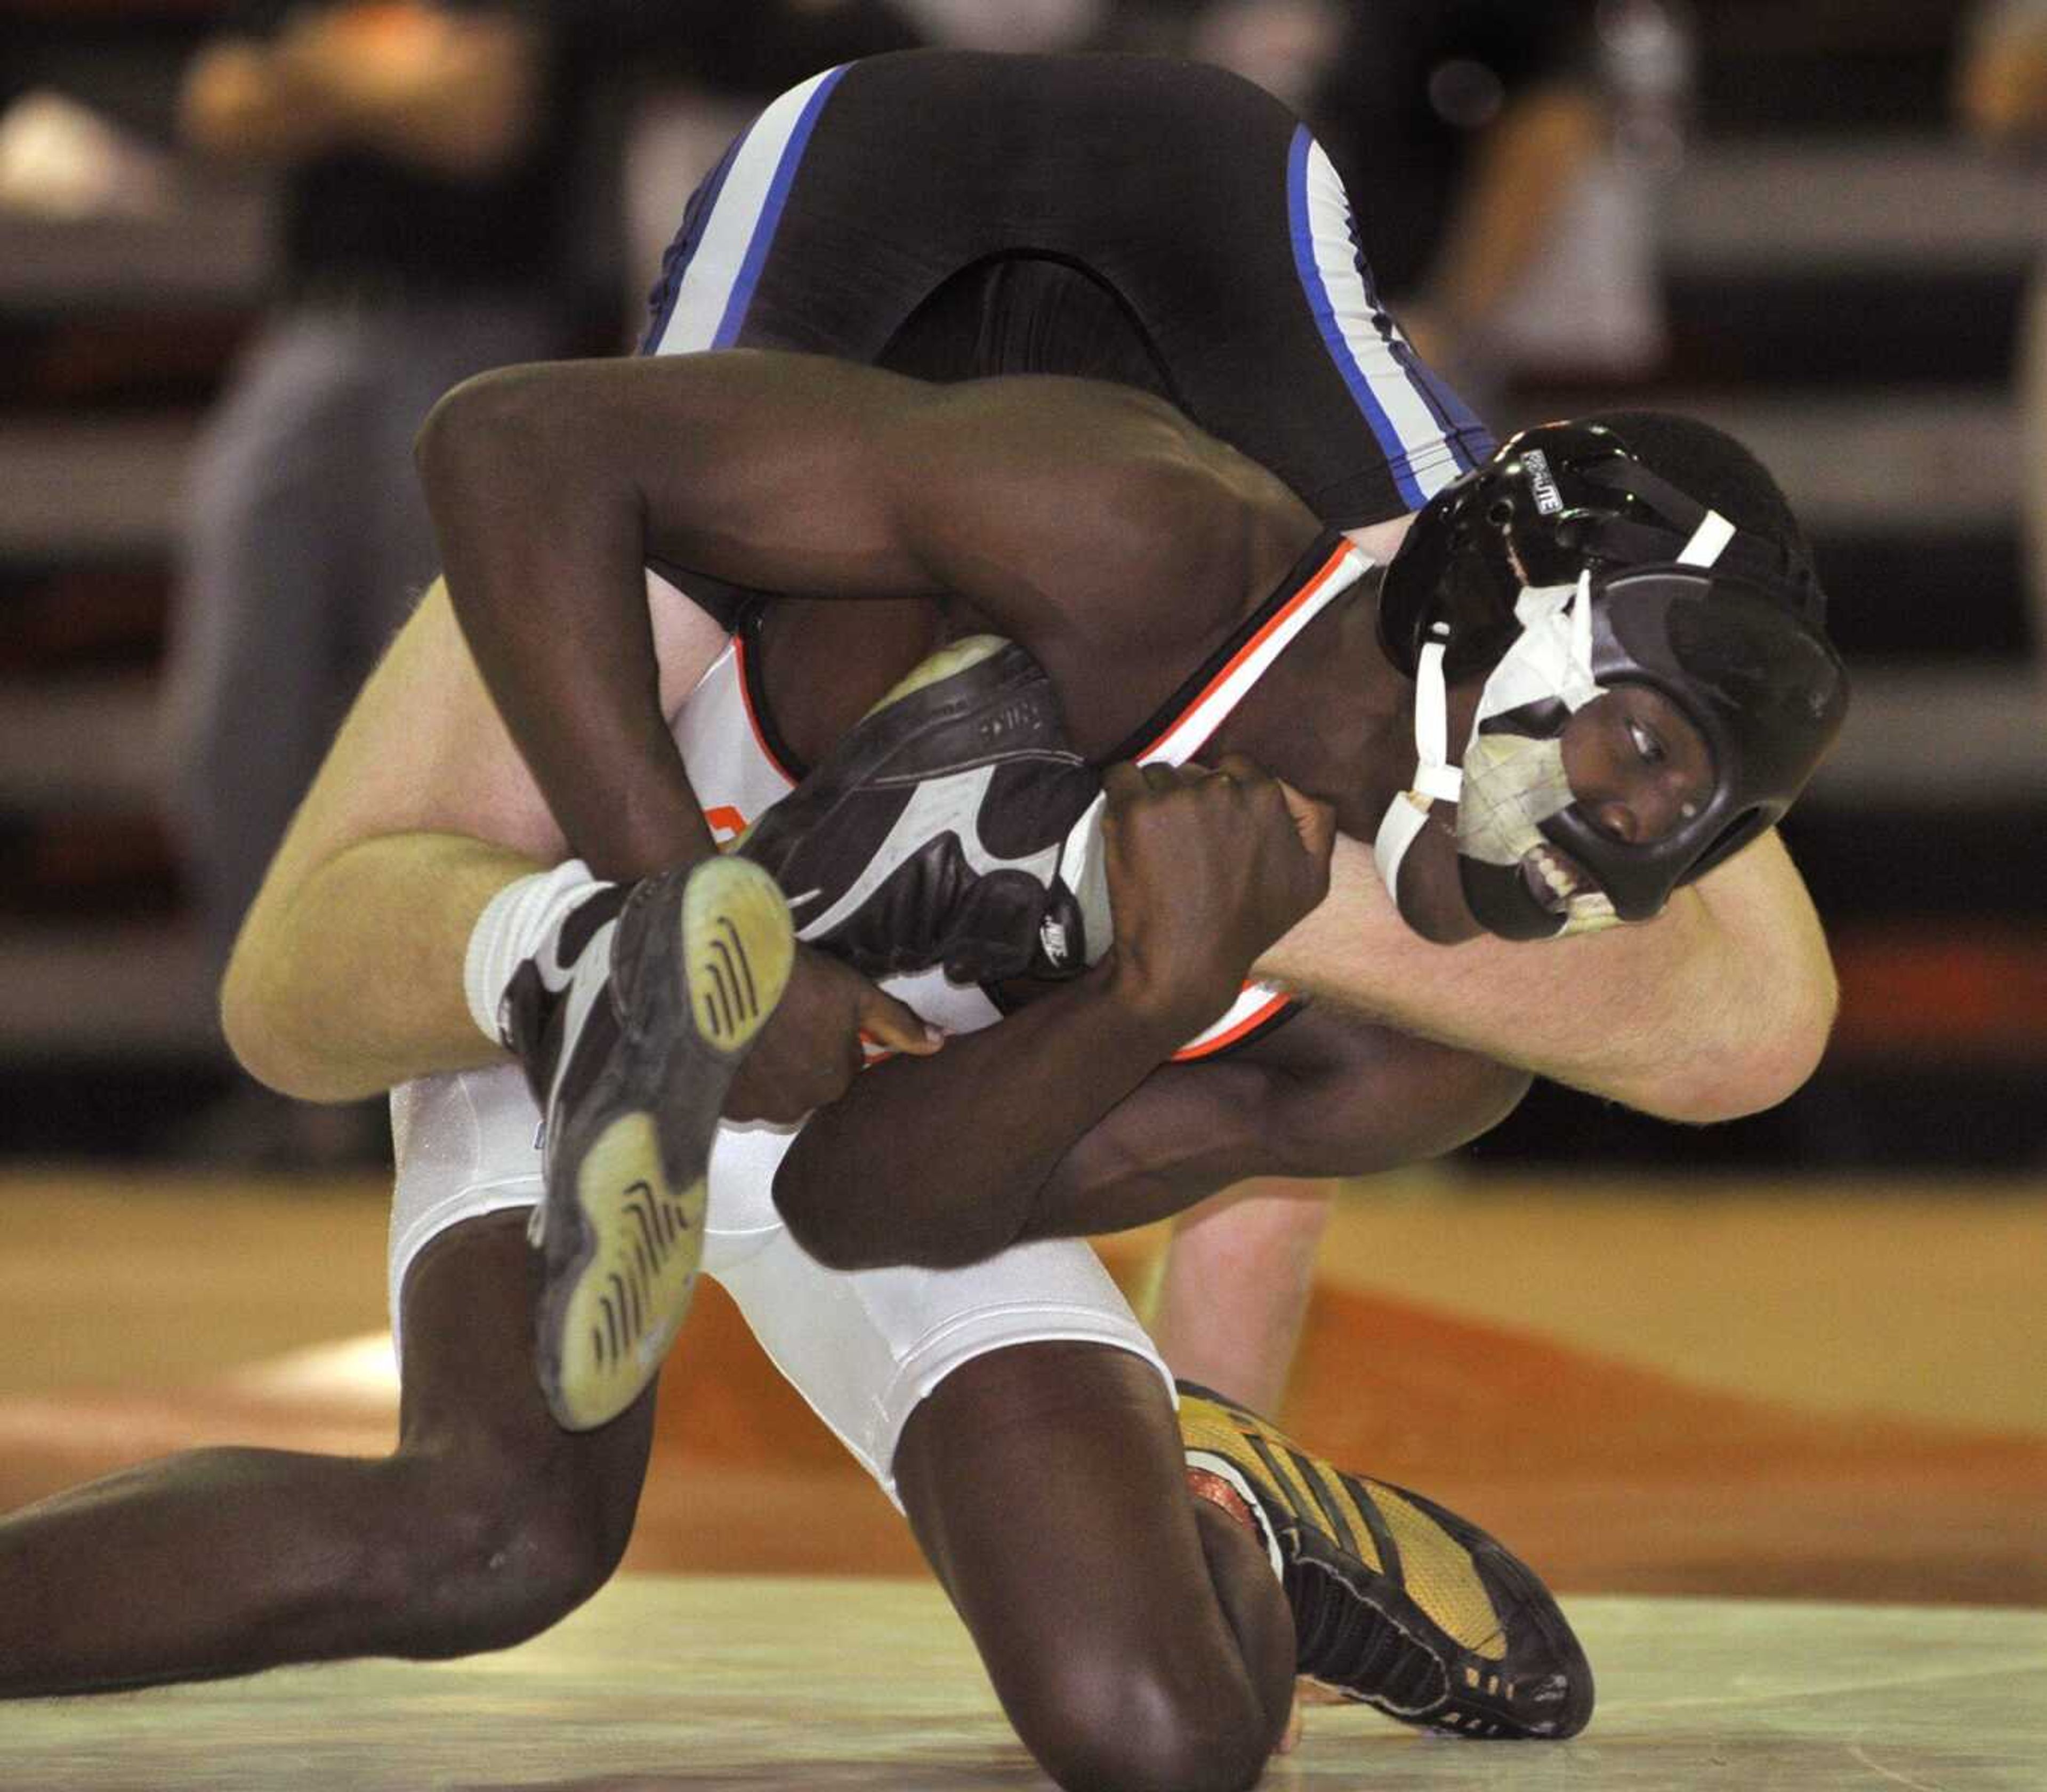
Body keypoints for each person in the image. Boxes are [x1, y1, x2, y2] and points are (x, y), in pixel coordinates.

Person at [161, 0, 610, 1159]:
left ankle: (445, 1092)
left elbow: (483, 118)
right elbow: (214, 102)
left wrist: (316, 76)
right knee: (228, 715)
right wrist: (383, 78)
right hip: (302, 338)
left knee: (447, 737)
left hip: (482, 348)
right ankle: (285, 1073)